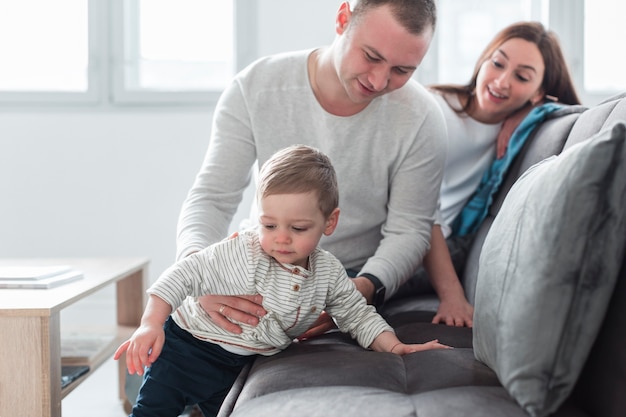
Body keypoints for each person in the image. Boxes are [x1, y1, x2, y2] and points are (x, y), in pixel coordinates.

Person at [115, 145, 451, 417]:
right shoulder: (242, 252)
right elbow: (182, 274)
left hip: (242, 364)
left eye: (298, 228)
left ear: (329, 222)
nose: (281, 239)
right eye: (269, 225)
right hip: (186, 349)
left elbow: (357, 315)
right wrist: (150, 324)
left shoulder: (328, 274)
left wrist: (395, 346)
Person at [175, 0, 448, 334]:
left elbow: (410, 230)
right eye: (371, 57)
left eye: (402, 70)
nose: (378, 81)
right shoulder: (255, 87)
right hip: (261, 265)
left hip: (352, 278)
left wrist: (360, 290)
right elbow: (212, 197)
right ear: (342, 19)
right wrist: (196, 274)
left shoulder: (422, 117)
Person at [394, 21, 581, 326]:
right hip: (401, 235)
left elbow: (578, 113)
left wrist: (531, 112)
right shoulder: (437, 111)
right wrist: (452, 294)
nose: (502, 81)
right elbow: (419, 208)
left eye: (521, 77)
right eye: (497, 64)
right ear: (483, 61)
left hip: (438, 250)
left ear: (538, 92)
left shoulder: (521, 129)